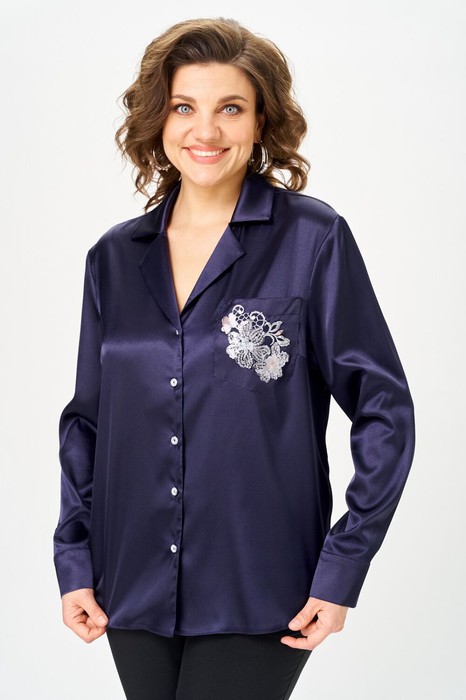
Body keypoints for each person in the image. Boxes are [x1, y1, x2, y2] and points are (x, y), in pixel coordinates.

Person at [53, 17, 416, 700]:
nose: (206, 130)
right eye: (184, 107)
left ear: (260, 121)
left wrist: (343, 564)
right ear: (160, 120)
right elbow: (88, 424)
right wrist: (74, 559)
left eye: (230, 108)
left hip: (261, 582)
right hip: (130, 583)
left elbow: (383, 408)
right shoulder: (113, 258)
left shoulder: (312, 238)